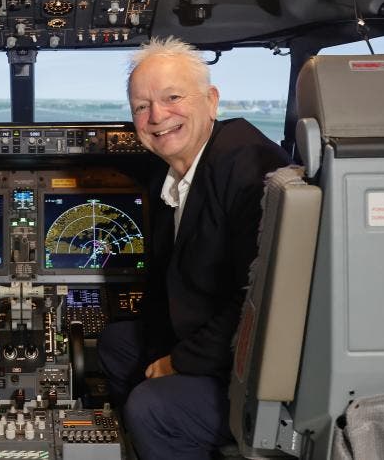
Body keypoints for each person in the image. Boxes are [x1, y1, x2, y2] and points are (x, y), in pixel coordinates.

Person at [97, 37, 289, 459]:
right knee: (118, 343)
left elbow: (254, 304)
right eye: (141, 107)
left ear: (212, 100)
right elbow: (172, 279)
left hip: (254, 365)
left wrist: (175, 364)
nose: (156, 116)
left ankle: (159, 428)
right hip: (215, 336)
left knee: (151, 407)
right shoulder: (175, 175)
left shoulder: (250, 170)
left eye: (172, 97)